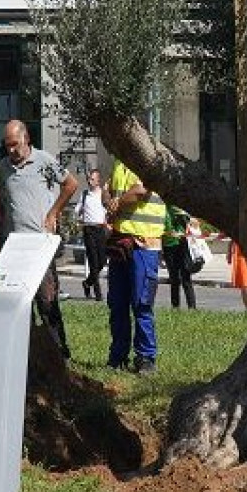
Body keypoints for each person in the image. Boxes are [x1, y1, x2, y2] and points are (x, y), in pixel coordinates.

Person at [0, 120, 79, 358]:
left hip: (40, 244)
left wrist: (54, 213)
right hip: (15, 246)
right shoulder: (4, 167)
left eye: (15, 144)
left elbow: (71, 184)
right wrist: (4, 220)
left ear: (26, 138)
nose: (11, 150)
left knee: (47, 299)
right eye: (7, 145)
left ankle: (58, 351)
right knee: (20, 301)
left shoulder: (43, 160)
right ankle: (26, 351)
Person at [107, 159, 165, 374]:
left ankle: (146, 357)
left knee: (141, 303)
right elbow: (107, 189)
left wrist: (116, 202)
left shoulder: (145, 158)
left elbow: (140, 191)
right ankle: (118, 356)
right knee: (117, 303)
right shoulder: (119, 163)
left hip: (144, 244)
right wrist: (109, 200)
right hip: (121, 242)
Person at [76, 167, 111, 301]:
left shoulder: (103, 194)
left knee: (102, 260)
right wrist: (80, 214)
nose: (89, 181)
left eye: (92, 179)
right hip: (88, 229)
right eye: (88, 179)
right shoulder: (84, 194)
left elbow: (109, 209)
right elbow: (77, 210)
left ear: (98, 181)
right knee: (93, 262)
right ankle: (98, 294)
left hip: (100, 229)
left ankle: (87, 282)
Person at [160, 206, 197, 309]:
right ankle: (175, 307)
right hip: (168, 246)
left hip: (182, 245)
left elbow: (194, 223)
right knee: (174, 278)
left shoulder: (180, 209)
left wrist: (185, 215)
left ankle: (192, 307)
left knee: (186, 276)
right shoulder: (163, 209)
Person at [227, 232, 247, 313]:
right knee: (246, 284)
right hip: (243, 254)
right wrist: (229, 251)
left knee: (246, 284)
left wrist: (229, 251)